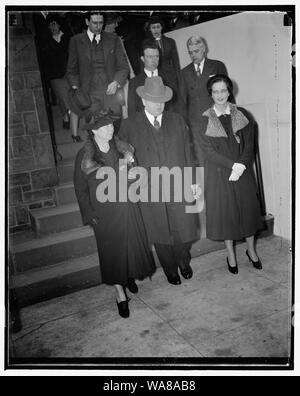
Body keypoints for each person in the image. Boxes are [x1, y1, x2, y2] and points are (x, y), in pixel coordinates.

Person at [119, 76, 201, 285]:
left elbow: (189, 153)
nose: (158, 105)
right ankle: (170, 269)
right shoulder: (129, 125)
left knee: (185, 230)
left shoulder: (177, 120)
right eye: (153, 101)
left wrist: (193, 181)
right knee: (160, 233)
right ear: (144, 101)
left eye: (161, 101)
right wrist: (129, 175)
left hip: (178, 185)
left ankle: (183, 260)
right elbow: (121, 157)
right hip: (149, 189)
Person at [73, 111, 155, 318]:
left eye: (111, 125)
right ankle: (120, 293)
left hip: (128, 208)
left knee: (131, 247)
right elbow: (80, 189)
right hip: (104, 214)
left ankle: (128, 277)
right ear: (93, 131)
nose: (110, 129)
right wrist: (90, 214)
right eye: (104, 126)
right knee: (112, 254)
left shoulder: (123, 149)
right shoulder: (85, 156)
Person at [197, 74, 264, 275]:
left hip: (242, 173)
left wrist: (241, 166)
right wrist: (231, 165)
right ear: (211, 94)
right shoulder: (204, 119)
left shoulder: (242, 114)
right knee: (227, 215)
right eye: (216, 91)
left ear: (229, 91)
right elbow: (207, 151)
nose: (220, 95)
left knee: (248, 213)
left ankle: (251, 251)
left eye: (223, 90)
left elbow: (249, 145)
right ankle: (231, 255)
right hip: (219, 175)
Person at [66, 11, 130, 142]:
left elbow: (123, 67)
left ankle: (118, 161)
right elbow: (71, 70)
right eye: (95, 22)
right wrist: (75, 87)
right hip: (89, 95)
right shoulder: (76, 41)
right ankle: (98, 161)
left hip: (111, 93)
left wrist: (116, 82)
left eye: (101, 23)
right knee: (95, 135)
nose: (98, 26)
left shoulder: (113, 39)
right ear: (87, 22)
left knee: (115, 133)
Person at [181, 36, 229, 165]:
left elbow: (227, 94)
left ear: (204, 49)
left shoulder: (217, 66)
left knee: (223, 158)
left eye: (196, 51)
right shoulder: (184, 72)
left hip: (217, 120)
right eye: (190, 52)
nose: (193, 55)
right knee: (203, 162)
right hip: (196, 125)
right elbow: (183, 102)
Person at [143, 16, 183, 114]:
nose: (156, 30)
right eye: (153, 27)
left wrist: (179, 80)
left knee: (173, 104)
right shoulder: (145, 43)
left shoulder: (170, 42)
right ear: (150, 29)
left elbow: (176, 62)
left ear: (161, 28)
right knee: (159, 104)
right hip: (155, 78)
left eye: (158, 27)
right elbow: (144, 63)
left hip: (170, 77)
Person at [42, 13, 71, 129]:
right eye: (51, 25)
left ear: (59, 25)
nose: (53, 27)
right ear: (48, 27)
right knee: (61, 96)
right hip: (54, 74)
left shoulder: (67, 37)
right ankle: (65, 116)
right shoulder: (46, 41)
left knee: (70, 96)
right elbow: (46, 58)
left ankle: (70, 114)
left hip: (68, 72)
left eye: (55, 24)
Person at [128, 41, 163, 116]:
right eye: (150, 56)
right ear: (142, 59)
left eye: (156, 56)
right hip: (144, 124)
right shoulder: (134, 83)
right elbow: (132, 110)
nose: (154, 60)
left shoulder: (169, 77)